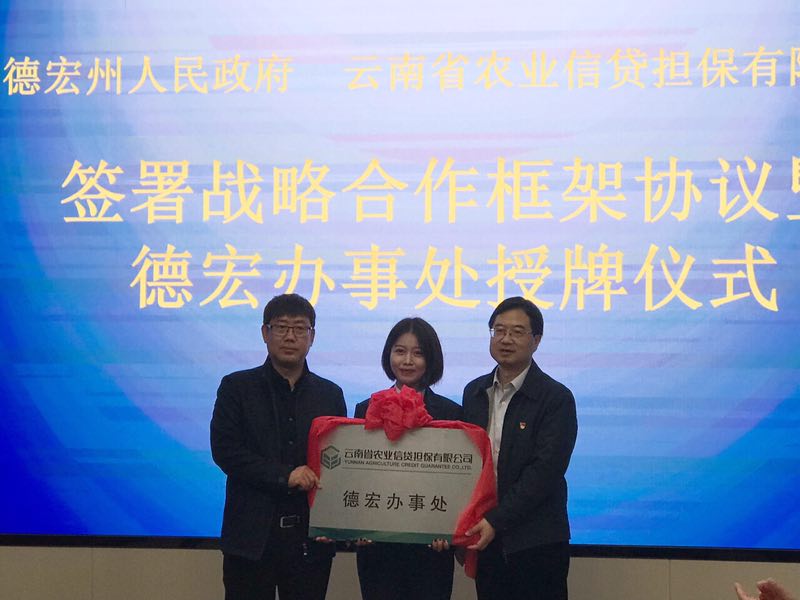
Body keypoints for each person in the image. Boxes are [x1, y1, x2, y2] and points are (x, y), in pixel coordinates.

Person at [210, 294, 346, 600]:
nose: (290, 336)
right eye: (281, 327)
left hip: (310, 541)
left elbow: (338, 462)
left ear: (312, 336)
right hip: (250, 540)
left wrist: (337, 522)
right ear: (265, 332)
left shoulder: (330, 394)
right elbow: (225, 451)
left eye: (299, 328)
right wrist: (286, 475)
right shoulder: (236, 387)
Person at [461, 296, 577, 600]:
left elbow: (544, 472)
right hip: (487, 539)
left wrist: (496, 520)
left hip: (536, 542)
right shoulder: (474, 392)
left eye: (517, 332)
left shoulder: (556, 398)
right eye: (499, 331)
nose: (506, 339)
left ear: (536, 340)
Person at [353, 317, 462, 600]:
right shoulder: (366, 408)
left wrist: (449, 530)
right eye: (400, 351)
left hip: (431, 552)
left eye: (418, 353)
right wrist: (356, 525)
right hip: (377, 549)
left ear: (431, 359)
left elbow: (458, 483)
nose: (408, 361)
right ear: (388, 354)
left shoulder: (451, 413)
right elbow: (357, 476)